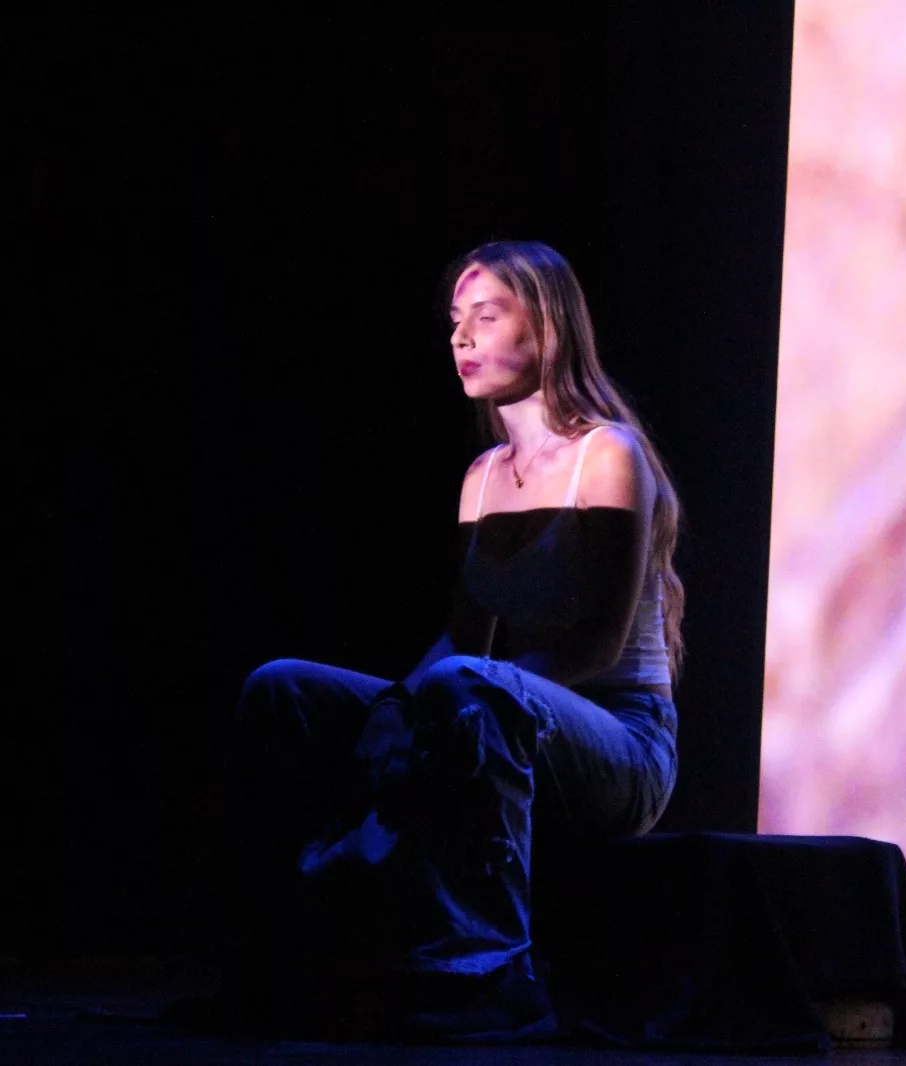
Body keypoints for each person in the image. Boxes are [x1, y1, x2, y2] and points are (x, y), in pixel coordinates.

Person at [225, 240, 685, 1040]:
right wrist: (399, 706)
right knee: (282, 686)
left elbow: (596, 649)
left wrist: (442, 702)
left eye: (487, 316)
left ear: (545, 327)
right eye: (454, 323)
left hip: (619, 743)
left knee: (466, 689)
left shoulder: (607, 455)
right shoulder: (482, 475)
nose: (461, 338)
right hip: (489, 701)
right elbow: (465, 634)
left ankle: (490, 972)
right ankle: (291, 953)